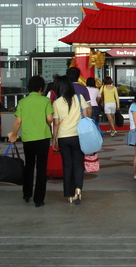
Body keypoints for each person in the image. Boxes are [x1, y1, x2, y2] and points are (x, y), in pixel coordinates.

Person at [8, 75, 53, 207]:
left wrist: (14, 135)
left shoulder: (23, 102)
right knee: (41, 167)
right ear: (41, 88)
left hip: (28, 138)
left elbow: (18, 121)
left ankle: (27, 194)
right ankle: (39, 199)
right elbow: (50, 118)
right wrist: (48, 123)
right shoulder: (45, 101)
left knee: (29, 166)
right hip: (43, 137)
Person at [52, 75, 90, 204]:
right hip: (78, 136)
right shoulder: (79, 98)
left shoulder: (56, 102)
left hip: (63, 137)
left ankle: (68, 194)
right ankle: (78, 189)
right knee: (78, 164)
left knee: (67, 165)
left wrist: (54, 139)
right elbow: (86, 116)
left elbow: (56, 123)